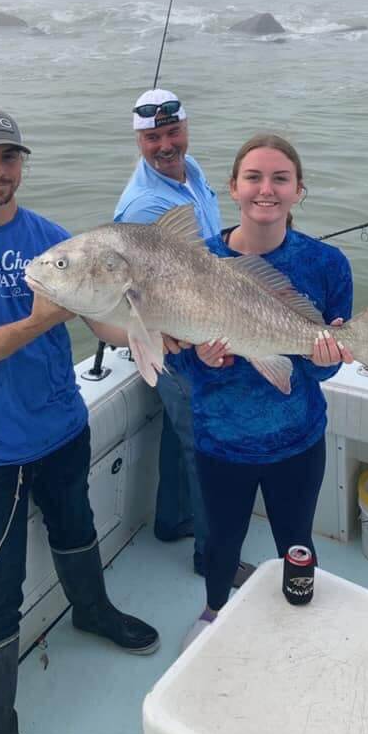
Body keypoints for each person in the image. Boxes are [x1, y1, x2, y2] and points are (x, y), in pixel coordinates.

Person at [0, 107, 159, 734]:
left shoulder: (51, 234)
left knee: (78, 527)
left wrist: (162, 331)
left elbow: (100, 322)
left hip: (64, 426)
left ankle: (92, 612)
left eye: (9, 157)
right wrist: (39, 321)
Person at [177, 134, 355, 647]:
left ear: (299, 190)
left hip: (297, 440)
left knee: (297, 541)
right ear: (232, 188)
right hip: (221, 440)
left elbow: (318, 372)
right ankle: (213, 610)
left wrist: (324, 361)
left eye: (280, 178)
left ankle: (298, 613)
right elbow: (184, 360)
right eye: (253, 177)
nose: (266, 189)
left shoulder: (326, 264)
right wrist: (201, 357)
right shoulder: (198, 262)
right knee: (221, 541)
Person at [114, 89, 252, 587]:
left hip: (199, 320)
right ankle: (211, 557)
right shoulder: (146, 204)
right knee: (205, 443)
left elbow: (197, 256)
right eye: (152, 138)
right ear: (138, 139)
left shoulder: (189, 171)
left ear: (186, 129)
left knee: (181, 435)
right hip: (178, 340)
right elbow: (149, 295)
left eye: (172, 133)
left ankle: (171, 520)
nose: (165, 145)